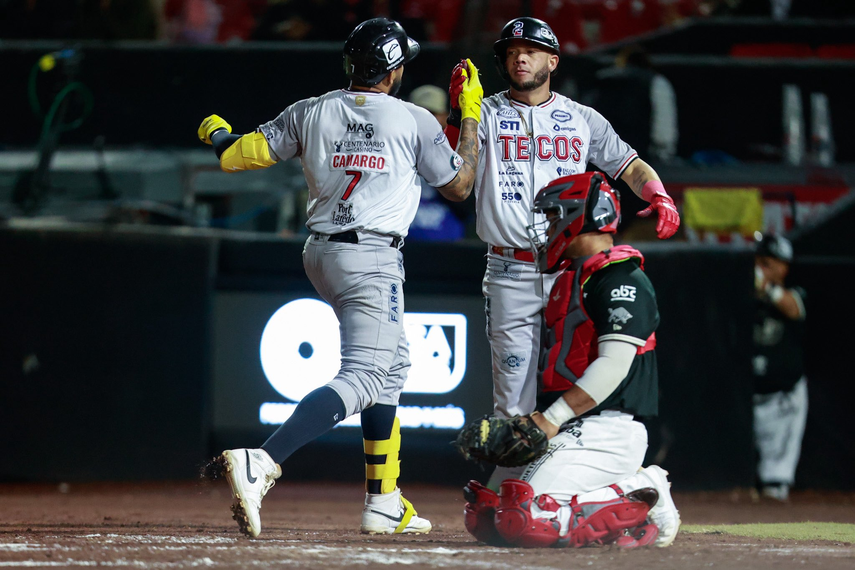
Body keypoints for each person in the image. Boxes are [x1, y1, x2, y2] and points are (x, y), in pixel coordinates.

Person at [196, 17, 482, 537]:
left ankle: (384, 501)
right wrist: (470, 116)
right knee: (367, 376)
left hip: (322, 253)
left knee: (392, 367)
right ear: (392, 70)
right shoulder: (415, 119)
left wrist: (216, 132)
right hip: (371, 256)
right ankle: (263, 460)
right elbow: (461, 186)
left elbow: (237, 157)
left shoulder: (311, 109)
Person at [443, 17, 681, 487]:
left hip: (570, 273)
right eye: (511, 51)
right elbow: (453, 175)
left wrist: (659, 193)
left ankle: (585, 480)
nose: (520, 57)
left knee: (573, 381)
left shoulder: (581, 117)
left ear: (552, 61)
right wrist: (458, 117)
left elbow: (629, 164)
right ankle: (514, 489)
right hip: (509, 267)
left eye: (530, 50)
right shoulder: (483, 113)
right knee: (512, 400)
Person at [461, 172, 680, 548]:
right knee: (487, 516)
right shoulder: (571, 278)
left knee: (526, 519)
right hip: (568, 426)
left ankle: (645, 487)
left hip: (607, 429)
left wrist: (550, 419)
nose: (547, 229)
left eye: (552, 217)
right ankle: (612, 492)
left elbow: (613, 366)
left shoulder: (620, 278)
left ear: (581, 216)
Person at [752, 232, 807, 502]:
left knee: (775, 484)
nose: (760, 268)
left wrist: (768, 289)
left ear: (784, 267)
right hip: (749, 395)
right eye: (758, 262)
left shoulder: (795, 293)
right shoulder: (745, 295)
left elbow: (793, 308)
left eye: (768, 263)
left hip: (784, 396)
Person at [584, 45, 678, 164]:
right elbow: (663, 124)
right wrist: (663, 151)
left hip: (602, 154)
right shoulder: (656, 82)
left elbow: (587, 115)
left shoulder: (601, 80)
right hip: (640, 156)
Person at [408, 85, 468, 241]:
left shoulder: (456, 149)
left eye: (432, 114)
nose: (425, 119)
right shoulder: (396, 149)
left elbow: (467, 206)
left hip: (447, 242)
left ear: (444, 116)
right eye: (420, 113)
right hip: (404, 242)